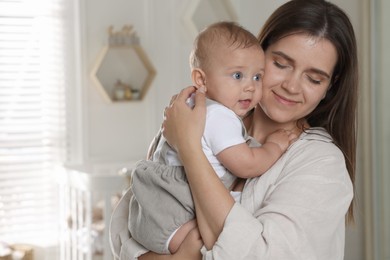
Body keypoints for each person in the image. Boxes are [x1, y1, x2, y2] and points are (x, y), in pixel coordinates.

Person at [109, 0, 358, 259]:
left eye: (314, 78)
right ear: (260, 54)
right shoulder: (201, 118)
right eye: (281, 64)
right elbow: (128, 222)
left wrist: (190, 148)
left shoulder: (321, 162)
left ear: (330, 86)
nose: (292, 86)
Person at [128, 21, 296, 255]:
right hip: (175, 212)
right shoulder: (219, 116)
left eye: (257, 77)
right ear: (202, 80)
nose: (250, 86)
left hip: (150, 212)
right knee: (205, 240)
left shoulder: (192, 108)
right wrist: (274, 146)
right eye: (238, 75)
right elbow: (247, 164)